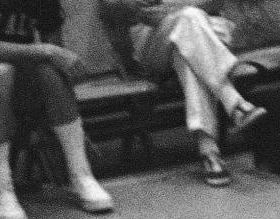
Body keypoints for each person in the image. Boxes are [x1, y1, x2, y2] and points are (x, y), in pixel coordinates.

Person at [0, 0, 113, 219]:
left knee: (50, 71)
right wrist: (46, 50)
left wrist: (62, 77)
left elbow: (58, 55)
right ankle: (0, 187)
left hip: (18, 81)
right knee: (0, 72)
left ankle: (81, 174)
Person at [101, 0, 267, 186]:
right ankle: (233, 102)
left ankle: (209, 149)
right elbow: (121, 8)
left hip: (207, 31)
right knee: (188, 20)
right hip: (156, 41)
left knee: (185, 44)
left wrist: (180, 8)